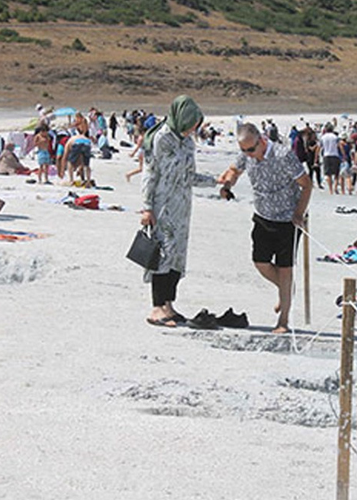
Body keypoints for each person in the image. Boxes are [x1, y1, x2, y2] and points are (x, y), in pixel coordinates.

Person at [218, 123, 313, 333]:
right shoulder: (247, 154)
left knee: (285, 268)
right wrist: (227, 185)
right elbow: (234, 170)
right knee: (260, 262)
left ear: (262, 141)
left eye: (251, 149)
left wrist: (299, 213)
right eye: (244, 150)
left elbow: (306, 184)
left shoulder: (283, 155)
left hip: (288, 220)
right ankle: (285, 288)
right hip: (262, 216)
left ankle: (283, 321)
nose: (248, 154)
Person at [140, 95, 216, 327]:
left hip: (182, 207)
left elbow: (188, 175)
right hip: (162, 205)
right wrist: (146, 207)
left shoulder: (188, 142)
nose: (195, 128)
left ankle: (168, 305)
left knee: (177, 256)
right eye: (192, 122)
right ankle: (156, 308)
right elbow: (150, 173)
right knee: (162, 254)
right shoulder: (162, 138)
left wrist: (215, 182)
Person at [320, 124, 341, 195]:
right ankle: (335, 187)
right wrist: (343, 155)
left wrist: (317, 157)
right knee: (336, 173)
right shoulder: (335, 137)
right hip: (335, 155)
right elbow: (340, 146)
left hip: (326, 155)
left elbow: (320, 147)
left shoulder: (323, 137)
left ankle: (330, 190)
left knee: (328, 174)